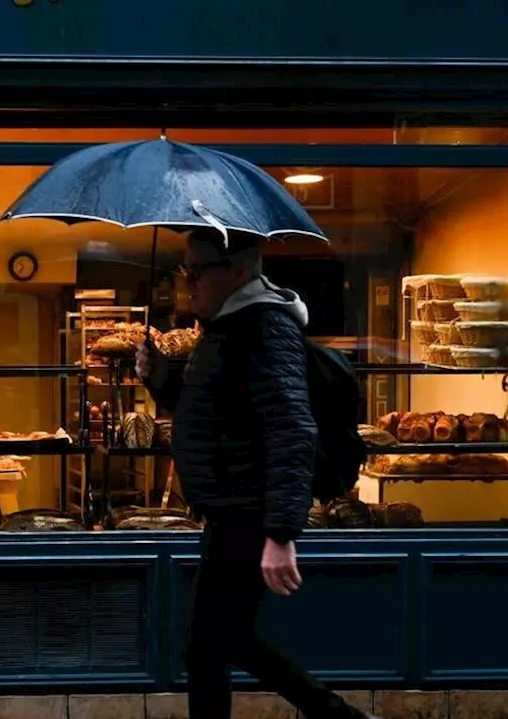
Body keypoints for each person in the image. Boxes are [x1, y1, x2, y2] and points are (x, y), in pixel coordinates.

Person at [136, 228, 368, 719]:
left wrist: (281, 532)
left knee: (210, 647)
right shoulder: (225, 327)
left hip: (247, 508)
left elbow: (291, 427)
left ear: (238, 273)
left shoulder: (265, 327)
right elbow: (210, 413)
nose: (188, 282)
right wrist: (159, 377)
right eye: (184, 270)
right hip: (229, 507)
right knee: (222, 643)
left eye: (197, 271)